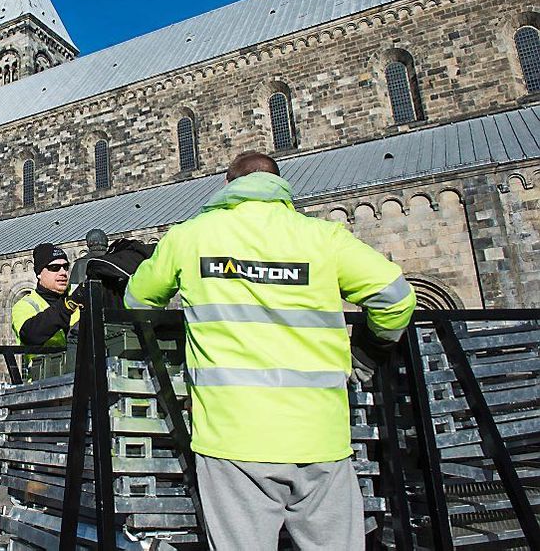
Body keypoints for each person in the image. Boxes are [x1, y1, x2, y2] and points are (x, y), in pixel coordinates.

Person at [124, 151, 416, 550]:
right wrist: (365, 355)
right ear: (279, 186)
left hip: (232, 437)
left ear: (228, 187)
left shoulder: (191, 236)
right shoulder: (323, 236)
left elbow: (137, 301)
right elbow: (396, 298)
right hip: (320, 435)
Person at [11, 243, 80, 356]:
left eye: (65, 267)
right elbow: (30, 335)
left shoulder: (77, 292)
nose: (63, 272)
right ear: (39, 273)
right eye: (54, 268)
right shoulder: (24, 305)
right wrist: (66, 306)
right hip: (44, 372)